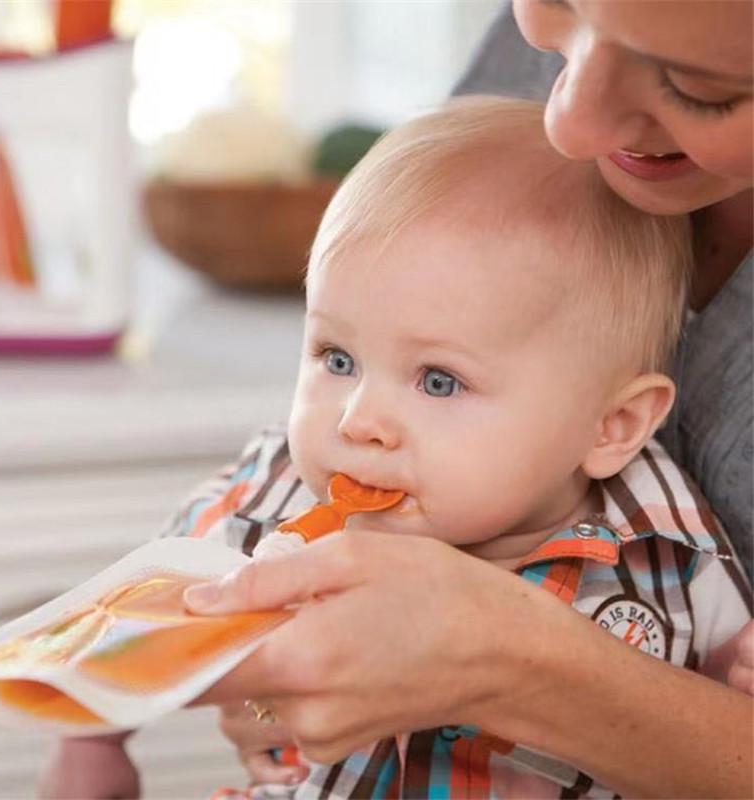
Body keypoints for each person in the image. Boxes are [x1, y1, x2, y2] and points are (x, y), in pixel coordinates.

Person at [41, 96, 751, 799]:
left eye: (438, 381)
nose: (358, 420)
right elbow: (125, 619)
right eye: (337, 357)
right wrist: (91, 744)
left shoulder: (669, 548)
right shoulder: (269, 498)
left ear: (613, 426)